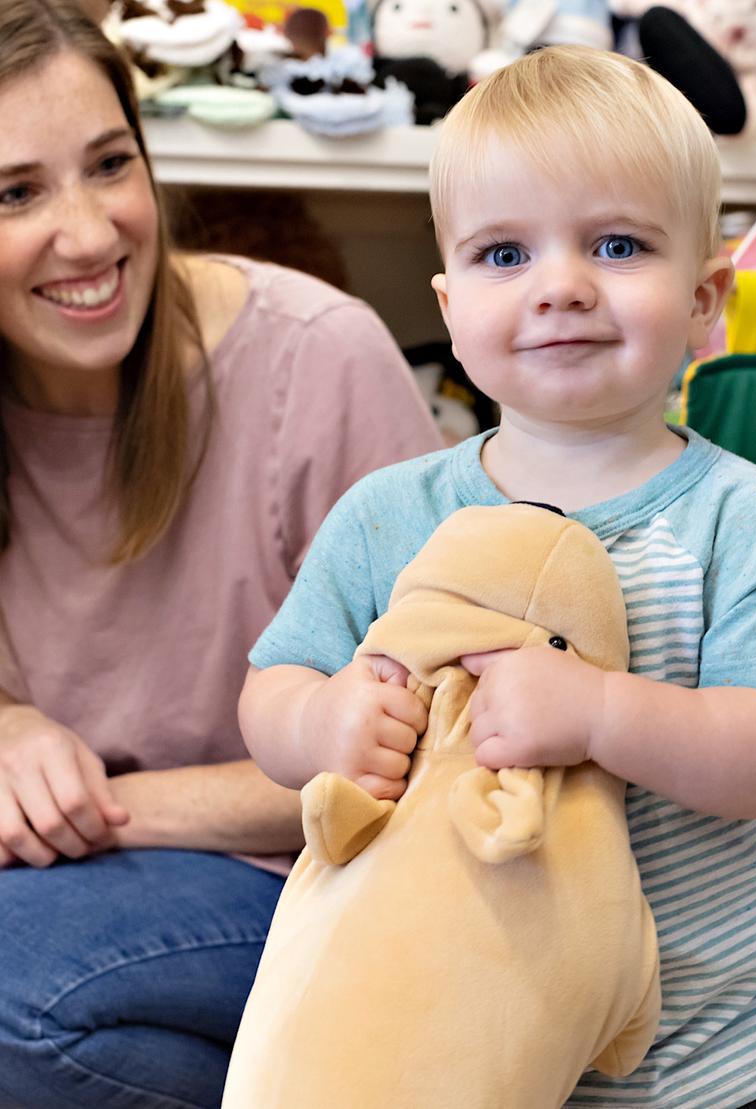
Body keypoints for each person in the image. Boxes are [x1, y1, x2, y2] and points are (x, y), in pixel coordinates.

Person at [239, 45, 756, 1109]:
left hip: (704, 1067)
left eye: (615, 244)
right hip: (463, 1038)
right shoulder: (389, 514)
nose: (560, 286)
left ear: (706, 297)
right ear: (449, 301)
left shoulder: (741, 517)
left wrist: (603, 711)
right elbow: (271, 688)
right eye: (504, 253)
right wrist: (324, 721)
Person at [0, 2, 443, 1107]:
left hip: (327, 886)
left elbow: (441, 747)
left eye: (110, 165)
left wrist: (101, 807)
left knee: (13, 993)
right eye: (15, 192)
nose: (92, 233)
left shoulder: (315, 359)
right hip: (84, 906)